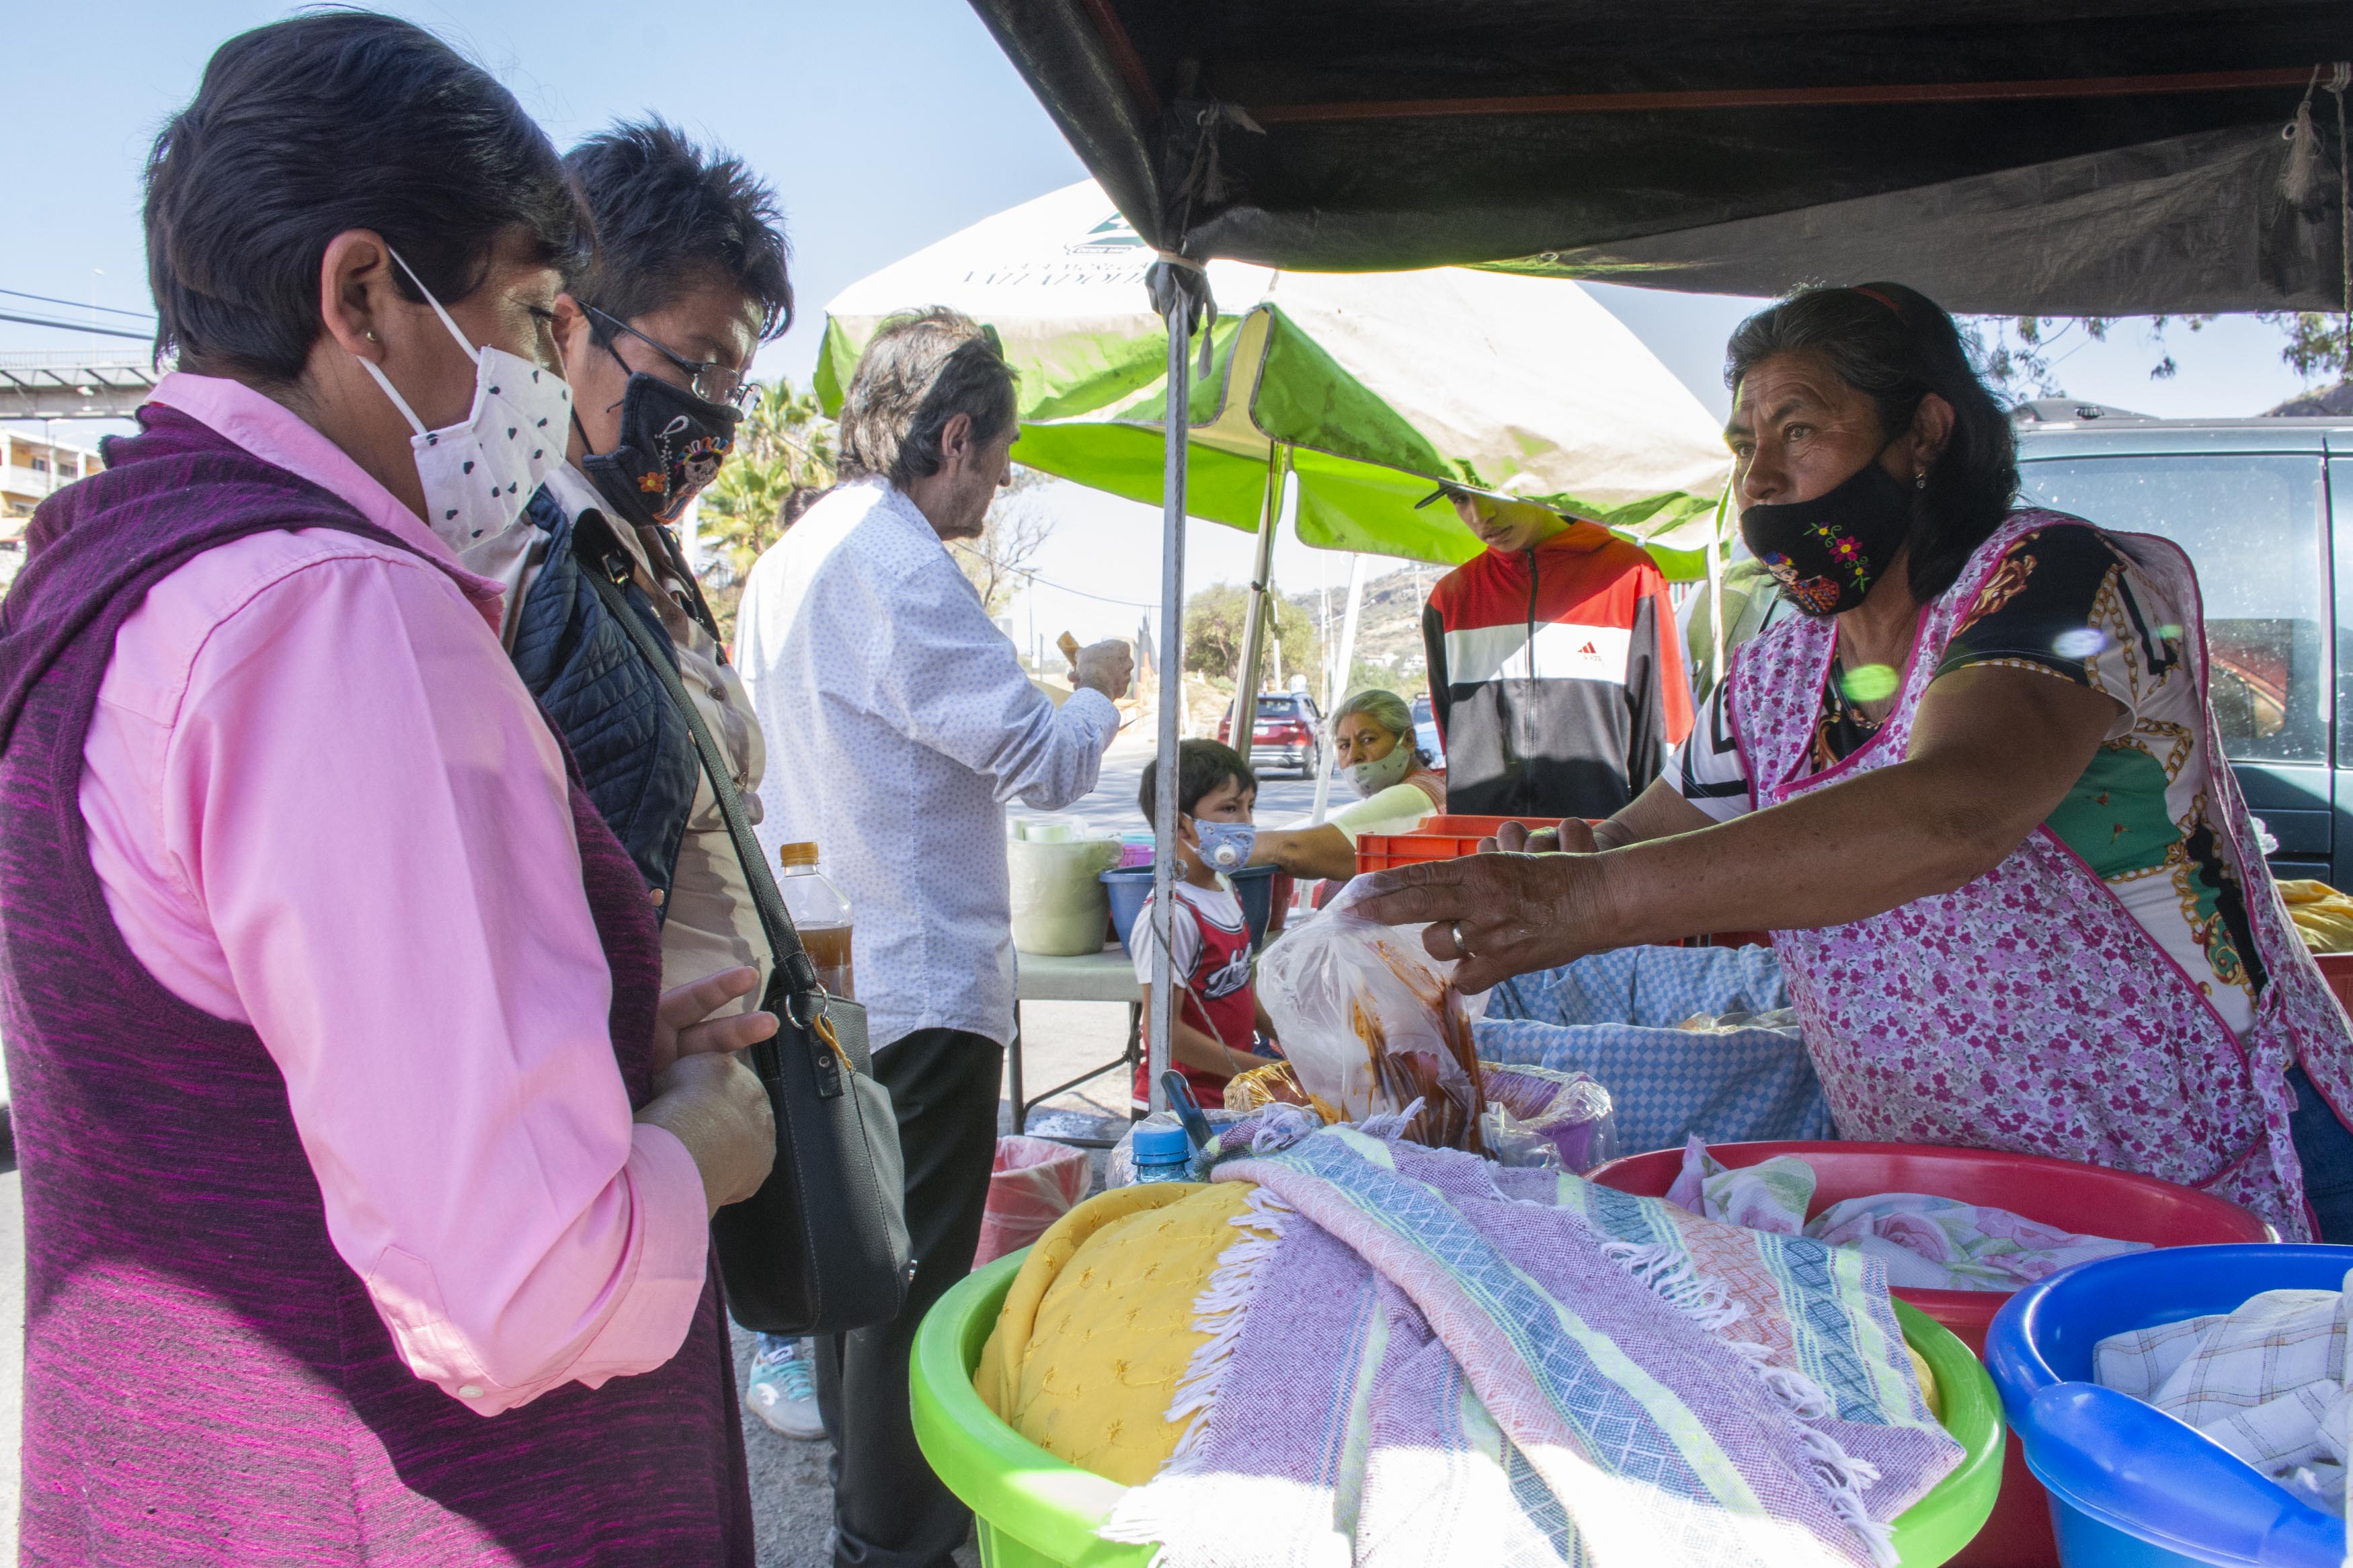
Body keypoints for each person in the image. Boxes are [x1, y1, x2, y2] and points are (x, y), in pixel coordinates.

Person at [0, 15, 779, 1561]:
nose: (554, 376)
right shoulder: (340, 616)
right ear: (365, 295)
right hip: (407, 1505)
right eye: (533, 314)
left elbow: (275, 1031)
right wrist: (706, 1139)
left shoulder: (109, 565)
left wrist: (606, 1026)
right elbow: (520, 1290)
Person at [1359, 282, 2353, 1242]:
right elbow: (1637, 838)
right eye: (1746, 446)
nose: (1758, 481)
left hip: (2194, 1175)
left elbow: (1954, 809)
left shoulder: (2058, 579)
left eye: (1798, 429)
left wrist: (1586, 900)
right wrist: (1545, 875)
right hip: (1945, 1198)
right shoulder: (1778, 672)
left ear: (1922, 431)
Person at [733, 306, 1133, 1568]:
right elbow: (1042, 759)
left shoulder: (795, 555)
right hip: (917, 979)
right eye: (1000, 455)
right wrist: (1100, 686)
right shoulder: (900, 564)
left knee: (856, 1272)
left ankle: (874, 1512)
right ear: (952, 435)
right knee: (910, 1285)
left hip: (834, 973)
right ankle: (896, 1540)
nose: (1003, 483)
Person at [475, 121, 820, 1442]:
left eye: (736, 378)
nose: (717, 420)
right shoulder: (535, 559)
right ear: (571, 328)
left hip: (693, 1125)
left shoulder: (639, 555)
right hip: (616, 1145)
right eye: (693, 367)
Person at [1419, 483, 1693, 819]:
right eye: (1460, 499)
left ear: (1536, 482)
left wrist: (1657, 836)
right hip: (1484, 845)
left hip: (1601, 841)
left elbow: (1662, 725)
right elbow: (1450, 730)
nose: (1481, 516)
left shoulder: (1628, 575)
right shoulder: (1449, 599)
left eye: (1492, 494)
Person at [1129, 740, 1283, 1110]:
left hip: (1232, 1098)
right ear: (1182, 825)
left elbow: (1240, 987)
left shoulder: (1226, 889)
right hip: (1182, 1111)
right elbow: (1166, 1035)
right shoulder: (1172, 916)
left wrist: (1292, 1041)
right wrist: (1265, 1072)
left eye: (1249, 807)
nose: (1246, 822)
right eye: (1230, 808)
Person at [1248, 688, 1446, 897]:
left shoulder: (1413, 797)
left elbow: (1293, 851)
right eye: (1344, 746)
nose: (1354, 755)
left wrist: (1221, 847)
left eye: (1368, 740)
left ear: (1409, 740)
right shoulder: (1429, 785)